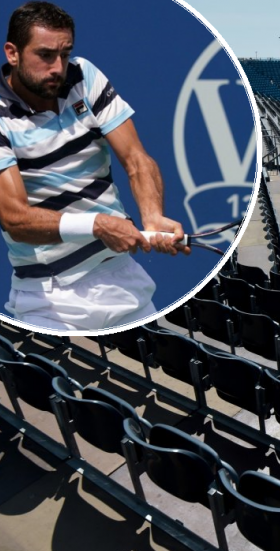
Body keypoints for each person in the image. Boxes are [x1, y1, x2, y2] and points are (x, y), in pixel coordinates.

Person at [0, 2, 189, 331]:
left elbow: (136, 159)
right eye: (45, 55)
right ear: (12, 53)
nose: (58, 67)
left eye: (65, 53)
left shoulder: (84, 75)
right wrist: (98, 225)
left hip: (122, 279)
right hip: (48, 297)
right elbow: (16, 219)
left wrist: (152, 215)